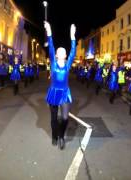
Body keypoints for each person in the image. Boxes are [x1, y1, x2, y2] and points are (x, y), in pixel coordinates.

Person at [44, 21, 76, 150]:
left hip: (64, 93)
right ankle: (54, 136)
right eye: (59, 51)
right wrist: (49, 29)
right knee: (53, 119)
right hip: (53, 92)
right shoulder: (53, 63)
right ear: (56, 55)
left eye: (63, 51)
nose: (62, 52)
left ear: (65, 55)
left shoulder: (68, 64)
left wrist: (72, 35)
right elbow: (51, 45)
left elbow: (73, 50)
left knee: (64, 117)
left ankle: (61, 136)